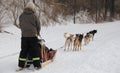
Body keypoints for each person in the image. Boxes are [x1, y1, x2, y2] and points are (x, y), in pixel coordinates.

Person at [18, 1, 41, 70]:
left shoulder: (21, 15)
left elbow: (20, 25)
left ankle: (21, 65)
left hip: (24, 36)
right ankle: (36, 65)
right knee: (35, 50)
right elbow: (38, 25)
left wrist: (24, 31)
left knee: (24, 50)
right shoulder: (34, 15)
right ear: (33, 8)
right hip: (33, 36)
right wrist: (38, 33)